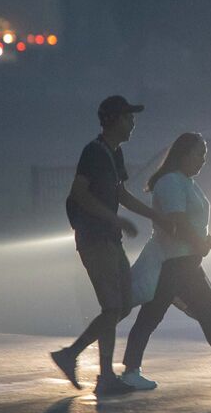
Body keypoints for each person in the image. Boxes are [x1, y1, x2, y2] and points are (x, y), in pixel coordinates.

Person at [121, 132, 211, 391]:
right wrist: (198, 242)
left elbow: (189, 222)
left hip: (184, 260)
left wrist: (204, 239)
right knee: (197, 313)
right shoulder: (171, 183)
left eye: (204, 155)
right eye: (199, 154)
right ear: (184, 154)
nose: (202, 160)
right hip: (175, 261)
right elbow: (177, 220)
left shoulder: (184, 181)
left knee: (167, 314)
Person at [50, 95, 174, 397]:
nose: (133, 124)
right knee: (113, 306)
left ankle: (74, 356)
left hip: (109, 238)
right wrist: (115, 220)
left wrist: (152, 214)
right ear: (114, 120)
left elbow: (122, 194)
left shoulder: (113, 154)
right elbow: (79, 193)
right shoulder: (93, 152)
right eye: (128, 118)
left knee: (122, 303)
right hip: (94, 239)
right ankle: (101, 373)